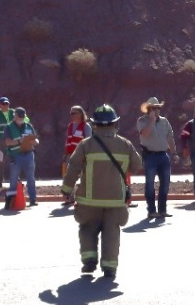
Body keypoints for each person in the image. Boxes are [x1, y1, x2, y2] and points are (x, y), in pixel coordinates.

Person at [60, 104, 144, 280]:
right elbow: (137, 165)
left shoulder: (86, 145)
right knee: (112, 233)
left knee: (87, 228)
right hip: (115, 201)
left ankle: (89, 259)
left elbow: (73, 168)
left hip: (89, 201)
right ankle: (109, 267)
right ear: (115, 123)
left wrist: (66, 189)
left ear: (94, 124)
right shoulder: (125, 144)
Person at [136, 96, 178, 218]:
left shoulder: (165, 121)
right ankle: (151, 211)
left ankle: (162, 210)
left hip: (163, 155)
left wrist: (174, 153)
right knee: (150, 184)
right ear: (148, 109)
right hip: (150, 156)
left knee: (165, 184)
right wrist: (152, 120)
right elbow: (145, 134)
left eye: (158, 108)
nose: (156, 110)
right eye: (153, 108)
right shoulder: (142, 121)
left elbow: (170, 138)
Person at [2, 107, 40, 208]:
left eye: (22, 117)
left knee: (31, 178)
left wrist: (35, 142)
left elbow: (36, 139)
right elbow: (7, 142)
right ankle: (11, 202)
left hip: (29, 154)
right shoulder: (9, 127)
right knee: (13, 179)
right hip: (15, 155)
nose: (21, 118)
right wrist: (19, 141)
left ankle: (33, 199)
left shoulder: (28, 126)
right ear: (15, 116)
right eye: (19, 116)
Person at [62, 106, 93, 207]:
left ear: (80, 114)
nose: (71, 115)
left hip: (82, 155)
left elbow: (89, 141)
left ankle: (83, 198)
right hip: (70, 155)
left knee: (84, 176)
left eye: (73, 113)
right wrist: (65, 154)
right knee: (69, 176)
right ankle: (69, 198)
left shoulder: (86, 126)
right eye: (71, 113)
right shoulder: (70, 126)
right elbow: (68, 140)